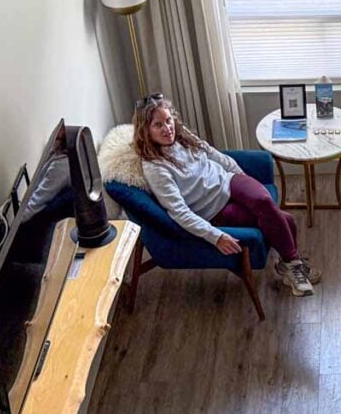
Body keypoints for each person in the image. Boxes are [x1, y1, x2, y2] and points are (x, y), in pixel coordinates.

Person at [133, 93, 319, 297]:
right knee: (286, 219)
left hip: (228, 179)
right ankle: (292, 265)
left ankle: (290, 265)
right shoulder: (155, 167)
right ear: (146, 131)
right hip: (214, 208)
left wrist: (241, 176)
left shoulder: (181, 134)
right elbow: (179, 212)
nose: (167, 128)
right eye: (158, 125)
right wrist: (216, 236)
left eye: (168, 121)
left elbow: (212, 153)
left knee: (264, 200)